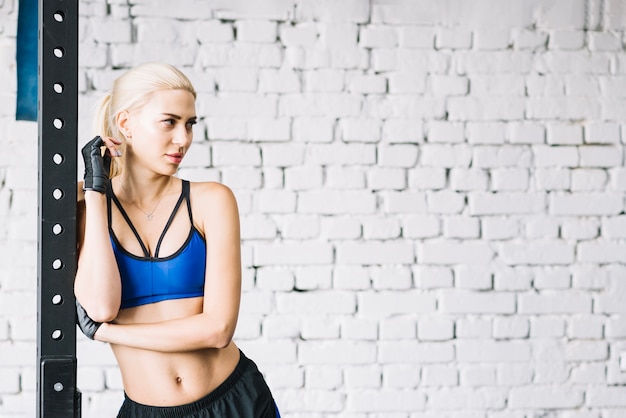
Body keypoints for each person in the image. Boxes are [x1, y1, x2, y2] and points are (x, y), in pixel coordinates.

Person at [74, 62, 280, 418]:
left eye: (190, 124)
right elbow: (101, 310)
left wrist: (108, 334)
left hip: (236, 402)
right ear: (125, 124)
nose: (183, 139)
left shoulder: (211, 200)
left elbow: (217, 330)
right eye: (169, 122)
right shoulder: (84, 205)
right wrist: (95, 191)